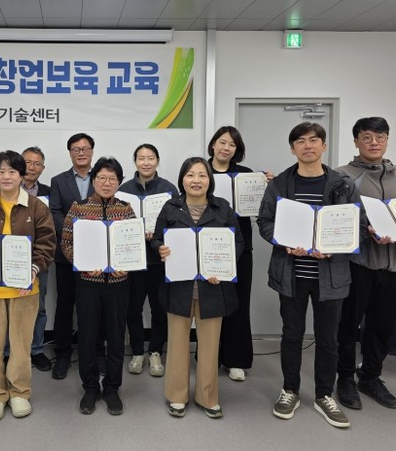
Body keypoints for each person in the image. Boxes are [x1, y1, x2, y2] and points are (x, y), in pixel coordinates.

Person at [257, 122, 357, 429]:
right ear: (292, 149)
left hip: (331, 275)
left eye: (314, 140)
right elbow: (265, 221)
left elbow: (358, 225)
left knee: (328, 339)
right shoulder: (280, 184)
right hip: (292, 274)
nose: (308, 145)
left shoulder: (343, 184)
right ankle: (290, 390)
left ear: (323, 146)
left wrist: (334, 247)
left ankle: (324, 395)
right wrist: (285, 242)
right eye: (300, 141)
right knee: (292, 334)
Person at [335, 117, 396, 411]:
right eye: (367, 137)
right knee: (348, 325)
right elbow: (336, 218)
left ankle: (371, 376)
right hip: (358, 263)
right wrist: (365, 229)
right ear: (356, 141)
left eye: (380, 137)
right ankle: (345, 378)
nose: (374, 142)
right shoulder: (343, 175)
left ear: (387, 140)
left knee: (382, 325)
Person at [151, 157, 243, 419]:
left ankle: (208, 397)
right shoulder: (171, 207)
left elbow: (237, 242)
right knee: (177, 345)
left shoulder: (222, 208)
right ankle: (177, 396)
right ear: (182, 179)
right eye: (191, 175)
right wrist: (160, 249)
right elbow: (156, 238)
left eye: (202, 175)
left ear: (209, 180)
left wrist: (223, 268)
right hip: (179, 287)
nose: (196, 180)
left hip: (212, 288)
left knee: (210, 347)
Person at [0, 150, 55, 421]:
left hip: (24, 288)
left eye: (12, 172)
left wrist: (33, 270)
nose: (6, 177)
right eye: (1, 171)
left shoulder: (36, 206)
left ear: (21, 175)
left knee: (20, 345)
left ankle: (19, 392)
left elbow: (47, 243)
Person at [61, 156, 135, 416]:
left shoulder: (126, 209)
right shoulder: (79, 208)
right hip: (88, 284)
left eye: (112, 179)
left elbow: (133, 245)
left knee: (116, 338)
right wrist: (81, 263)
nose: (106, 183)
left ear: (119, 182)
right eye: (102, 177)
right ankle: (90, 388)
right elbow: (66, 243)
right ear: (93, 180)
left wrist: (128, 265)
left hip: (118, 284)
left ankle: (112, 388)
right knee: (88, 337)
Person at [207, 126, 273, 382]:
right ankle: (209, 357)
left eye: (232, 144)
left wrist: (268, 185)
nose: (226, 148)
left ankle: (236, 360)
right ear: (213, 144)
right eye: (222, 142)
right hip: (208, 247)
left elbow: (262, 209)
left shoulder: (247, 175)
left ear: (237, 150)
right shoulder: (201, 171)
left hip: (240, 248)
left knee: (238, 303)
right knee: (210, 304)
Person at [118, 144, 177, 377]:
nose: (146, 162)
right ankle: (137, 352)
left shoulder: (168, 189)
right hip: (132, 260)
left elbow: (177, 222)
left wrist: (158, 232)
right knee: (132, 308)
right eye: (141, 158)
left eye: (150, 158)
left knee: (159, 308)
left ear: (157, 161)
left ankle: (155, 352)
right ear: (135, 162)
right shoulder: (123, 190)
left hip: (159, 260)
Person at [49, 133, 95, 380]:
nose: (81, 152)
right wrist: (75, 230)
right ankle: (63, 354)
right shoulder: (58, 181)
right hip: (66, 254)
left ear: (92, 152)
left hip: (97, 253)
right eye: (76, 149)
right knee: (65, 306)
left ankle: (95, 351)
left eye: (85, 148)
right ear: (70, 153)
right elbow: (54, 212)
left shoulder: (102, 177)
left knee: (94, 305)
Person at [20, 146, 53, 371]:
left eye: (37, 163)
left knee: (38, 306)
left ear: (42, 168)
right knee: (10, 306)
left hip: (40, 257)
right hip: (12, 258)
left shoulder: (49, 192)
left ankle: (37, 350)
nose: (31, 167)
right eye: (27, 162)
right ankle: (9, 353)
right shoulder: (7, 188)